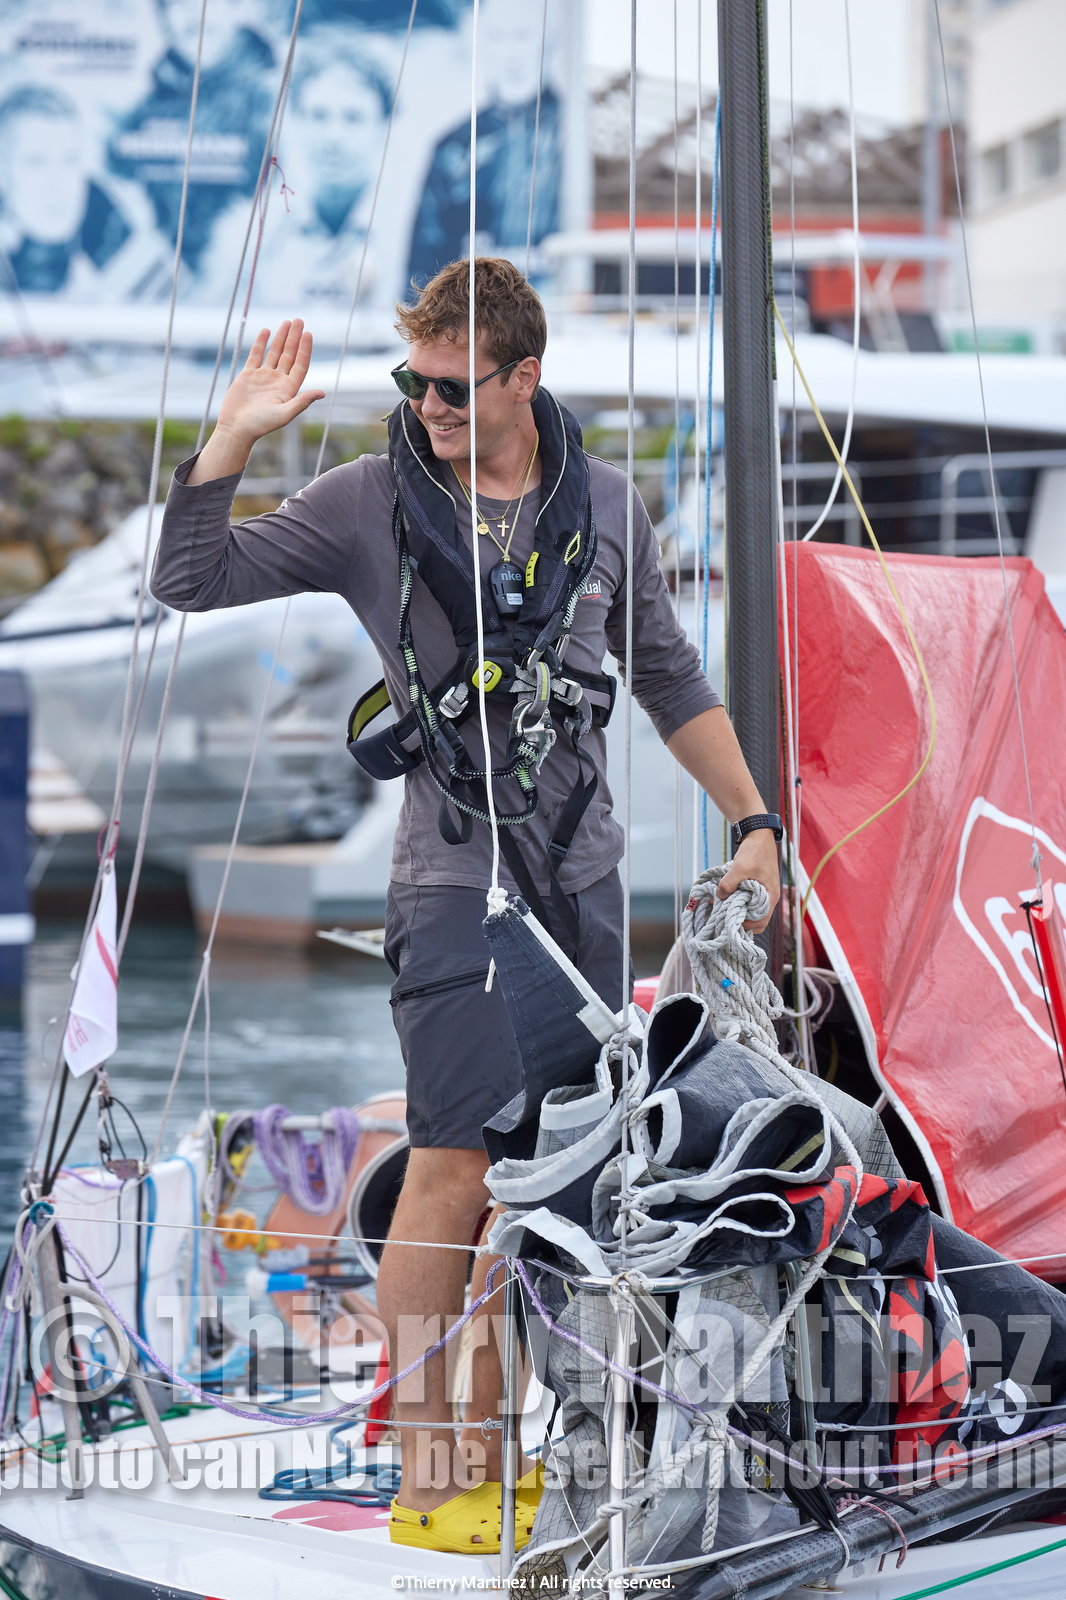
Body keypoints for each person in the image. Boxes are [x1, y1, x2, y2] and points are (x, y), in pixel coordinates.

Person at [150, 258, 781, 1553]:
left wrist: (754, 824)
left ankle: (539, 1444)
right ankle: (437, 1480)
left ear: (521, 376)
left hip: (585, 883)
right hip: (451, 880)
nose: (428, 403)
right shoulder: (366, 500)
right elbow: (190, 580)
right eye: (413, 381)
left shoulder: (604, 502)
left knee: (566, 1175)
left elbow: (666, 673)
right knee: (451, 1164)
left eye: (451, 384)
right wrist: (233, 438)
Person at [407, 0, 559, 289]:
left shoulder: (573, 141)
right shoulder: (453, 147)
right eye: (497, 37)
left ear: (549, 38)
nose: (511, 53)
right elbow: (422, 263)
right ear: (480, 44)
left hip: (556, 308)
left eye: (522, 36)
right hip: (472, 312)